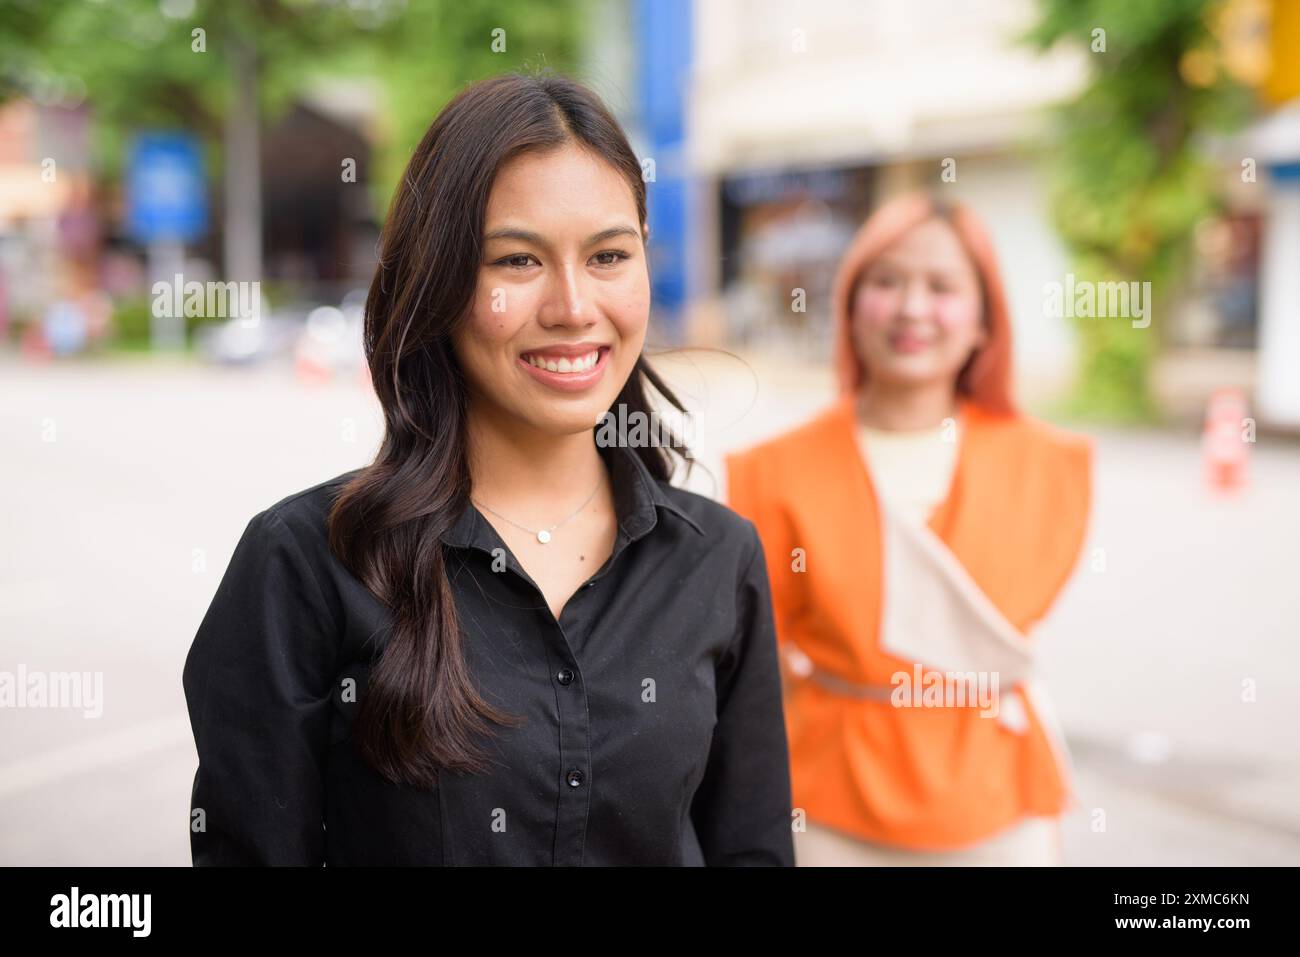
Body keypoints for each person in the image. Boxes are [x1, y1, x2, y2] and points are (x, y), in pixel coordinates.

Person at [182, 72, 794, 866]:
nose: (574, 307)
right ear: (435, 281)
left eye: (609, 254)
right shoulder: (303, 563)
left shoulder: (717, 557)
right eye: (517, 260)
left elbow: (752, 850)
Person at [725, 192, 1093, 866]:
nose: (912, 308)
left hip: (999, 801)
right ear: (850, 305)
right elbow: (762, 669)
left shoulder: (1052, 466)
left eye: (943, 286)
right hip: (829, 806)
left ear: (985, 319)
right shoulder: (770, 471)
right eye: (887, 281)